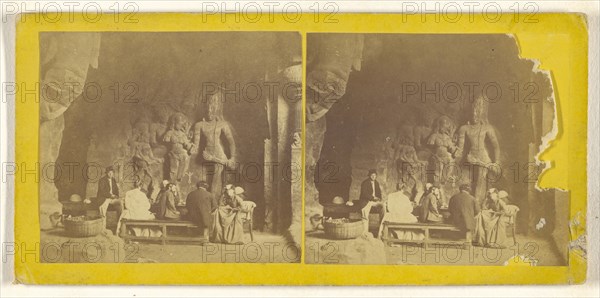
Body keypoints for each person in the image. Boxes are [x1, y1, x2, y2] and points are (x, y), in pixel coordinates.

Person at [358, 169, 385, 234]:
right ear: (369, 176)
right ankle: (365, 233)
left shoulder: (376, 183)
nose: (373, 176)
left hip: (374, 202)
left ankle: (381, 230)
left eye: (375, 175)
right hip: (366, 201)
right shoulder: (365, 183)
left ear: (376, 176)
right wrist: (373, 197)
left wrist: (379, 199)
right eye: (372, 175)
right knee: (365, 215)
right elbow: (364, 194)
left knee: (383, 207)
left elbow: (379, 193)